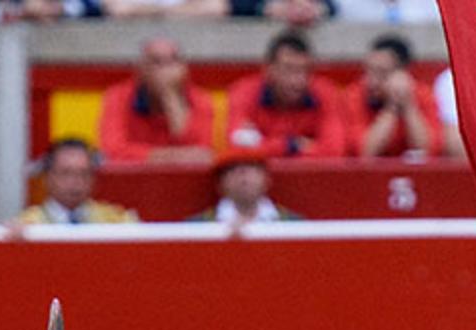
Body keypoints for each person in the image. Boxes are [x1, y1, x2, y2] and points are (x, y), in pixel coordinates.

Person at [226, 29, 350, 160]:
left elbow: (334, 152)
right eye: (289, 69)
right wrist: (291, 145)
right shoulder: (244, 92)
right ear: (269, 69)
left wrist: (264, 145)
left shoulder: (326, 92)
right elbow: (238, 148)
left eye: (305, 71)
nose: (297, 80)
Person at [97, 37, 215, 165]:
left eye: (172, 62)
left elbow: (199, 154)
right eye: (157, 62)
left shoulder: (200, 99)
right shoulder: (118, 96)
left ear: (183, 69)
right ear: (141, 69)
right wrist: (173, 156)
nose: (165, 70)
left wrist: (170, 96)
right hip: (135, 177)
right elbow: (112, 151)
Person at [346, 35, 446, 160]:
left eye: (382, 73)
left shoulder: (423, 95)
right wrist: (391, 108)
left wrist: (409, 106)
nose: (371, 82)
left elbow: (429, 150)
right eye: (368, 71)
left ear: (403, 73)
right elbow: (365, 151)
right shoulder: (355, 94)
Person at [16, 138, 140, 225]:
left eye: (83, 174)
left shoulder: (115, 221)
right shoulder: (28, 225)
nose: (75, 181)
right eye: (66, 173)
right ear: (47, 178)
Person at [187, 147, 302, 225]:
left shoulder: (294, 223)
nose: (243, 176)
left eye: (252, 169)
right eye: (233, 170)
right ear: (220, 184)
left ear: (267, 180)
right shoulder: (197, 225)